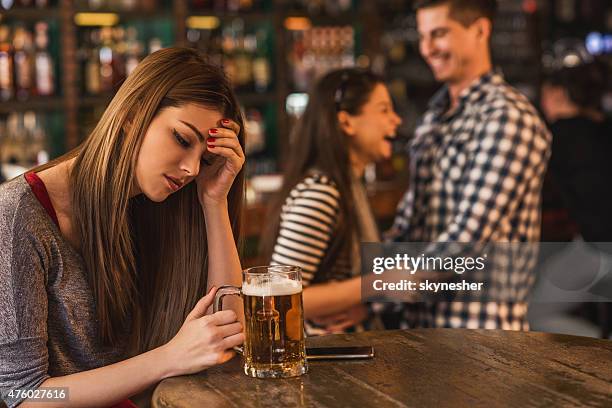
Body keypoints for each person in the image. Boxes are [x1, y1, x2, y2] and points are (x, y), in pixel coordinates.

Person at [0, 47, 246, 407]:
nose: (193, 169)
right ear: (133, 114)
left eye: (205, 157)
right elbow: (22, 395)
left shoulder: (159, 205)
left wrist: (214, 202)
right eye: (182, 139)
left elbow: (227, 331)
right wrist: (168, 358)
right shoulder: (18, 214)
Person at [383, 0, 552, 330]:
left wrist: (372, 291)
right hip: (421, 331)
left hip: (480, 337)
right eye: (423, 36)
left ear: (480, 30)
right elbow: (408, 224)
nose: (428, 48)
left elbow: (466, 239)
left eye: (439, 33)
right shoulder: (435, 115)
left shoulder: (507, 116)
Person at [261, 68, 402, 335]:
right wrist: (379, 284)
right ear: (346, 122)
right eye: (384, 110)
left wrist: (364, 304)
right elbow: (276, 298)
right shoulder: (321, 193)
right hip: (320, 362)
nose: (396, 120)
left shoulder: (348, 187)